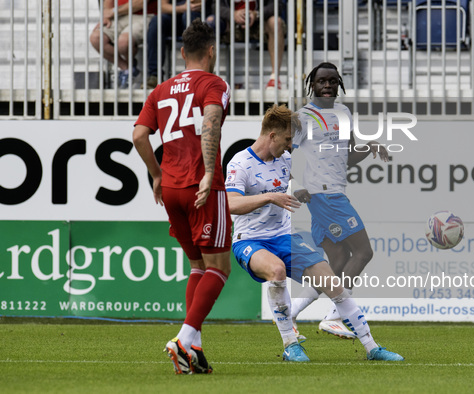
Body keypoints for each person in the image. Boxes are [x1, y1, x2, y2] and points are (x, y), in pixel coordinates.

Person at [225, 104, 403, 362]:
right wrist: (269, 198)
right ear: (272, 135)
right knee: (277, 271)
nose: (290, 146)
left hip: (284, 237)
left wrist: (297, 188)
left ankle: (372, 348)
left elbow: (289, 179)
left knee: (333, 282)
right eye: (287, 139)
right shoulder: (240, 163)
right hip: (250, 241)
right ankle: (290, 345)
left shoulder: (284, 159)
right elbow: (231, 204)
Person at [132, 19, 232, 375]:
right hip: (201, 187)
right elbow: (210, 123)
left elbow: (139, 135)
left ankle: (193, 351)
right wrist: (207, 172)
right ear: (211, 51)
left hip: (171, 188)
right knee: (220, 269)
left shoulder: (160, 90)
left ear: (180, 52)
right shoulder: (214, 83)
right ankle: (183, 338)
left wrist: (156, 175)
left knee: (197, 267)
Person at [290, 62, 390, 339]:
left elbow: (348, 156)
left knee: (336, 261)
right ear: (312, 84)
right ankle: (336, 314)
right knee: (363, 252)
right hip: (324, 195)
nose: (327, 85)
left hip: (334, 192)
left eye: (333, 81)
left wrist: (369, 148)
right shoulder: (303, 117)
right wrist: (294, 185)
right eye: (322, 80)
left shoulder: (343, 112)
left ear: (339, 85)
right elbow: (281, 154)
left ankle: (290, 312)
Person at [208, 0, 286, 89]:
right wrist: (232, 14)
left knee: (275, 22)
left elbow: (277, 5)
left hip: (259, 22)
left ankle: (274, 78)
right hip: (230, 23)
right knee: (210, 23)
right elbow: (215, 6)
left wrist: (257, 14)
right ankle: (208, 79)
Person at [90, 0, 158, 88]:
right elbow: (108, 3)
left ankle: (129, 72)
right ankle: (127, 69)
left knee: (123, 42)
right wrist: (106, 15)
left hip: (144, 15)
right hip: (119, 16)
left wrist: (113, 11)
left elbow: (140, 3)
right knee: (96, 38)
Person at [144, 0, 208, 89]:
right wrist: (183, 8)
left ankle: (194, 74)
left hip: (200, 16)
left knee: (189, 17)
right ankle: (155, 76)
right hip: (176, 15)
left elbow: (197, 4)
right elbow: (162, 6)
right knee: (156, 22)